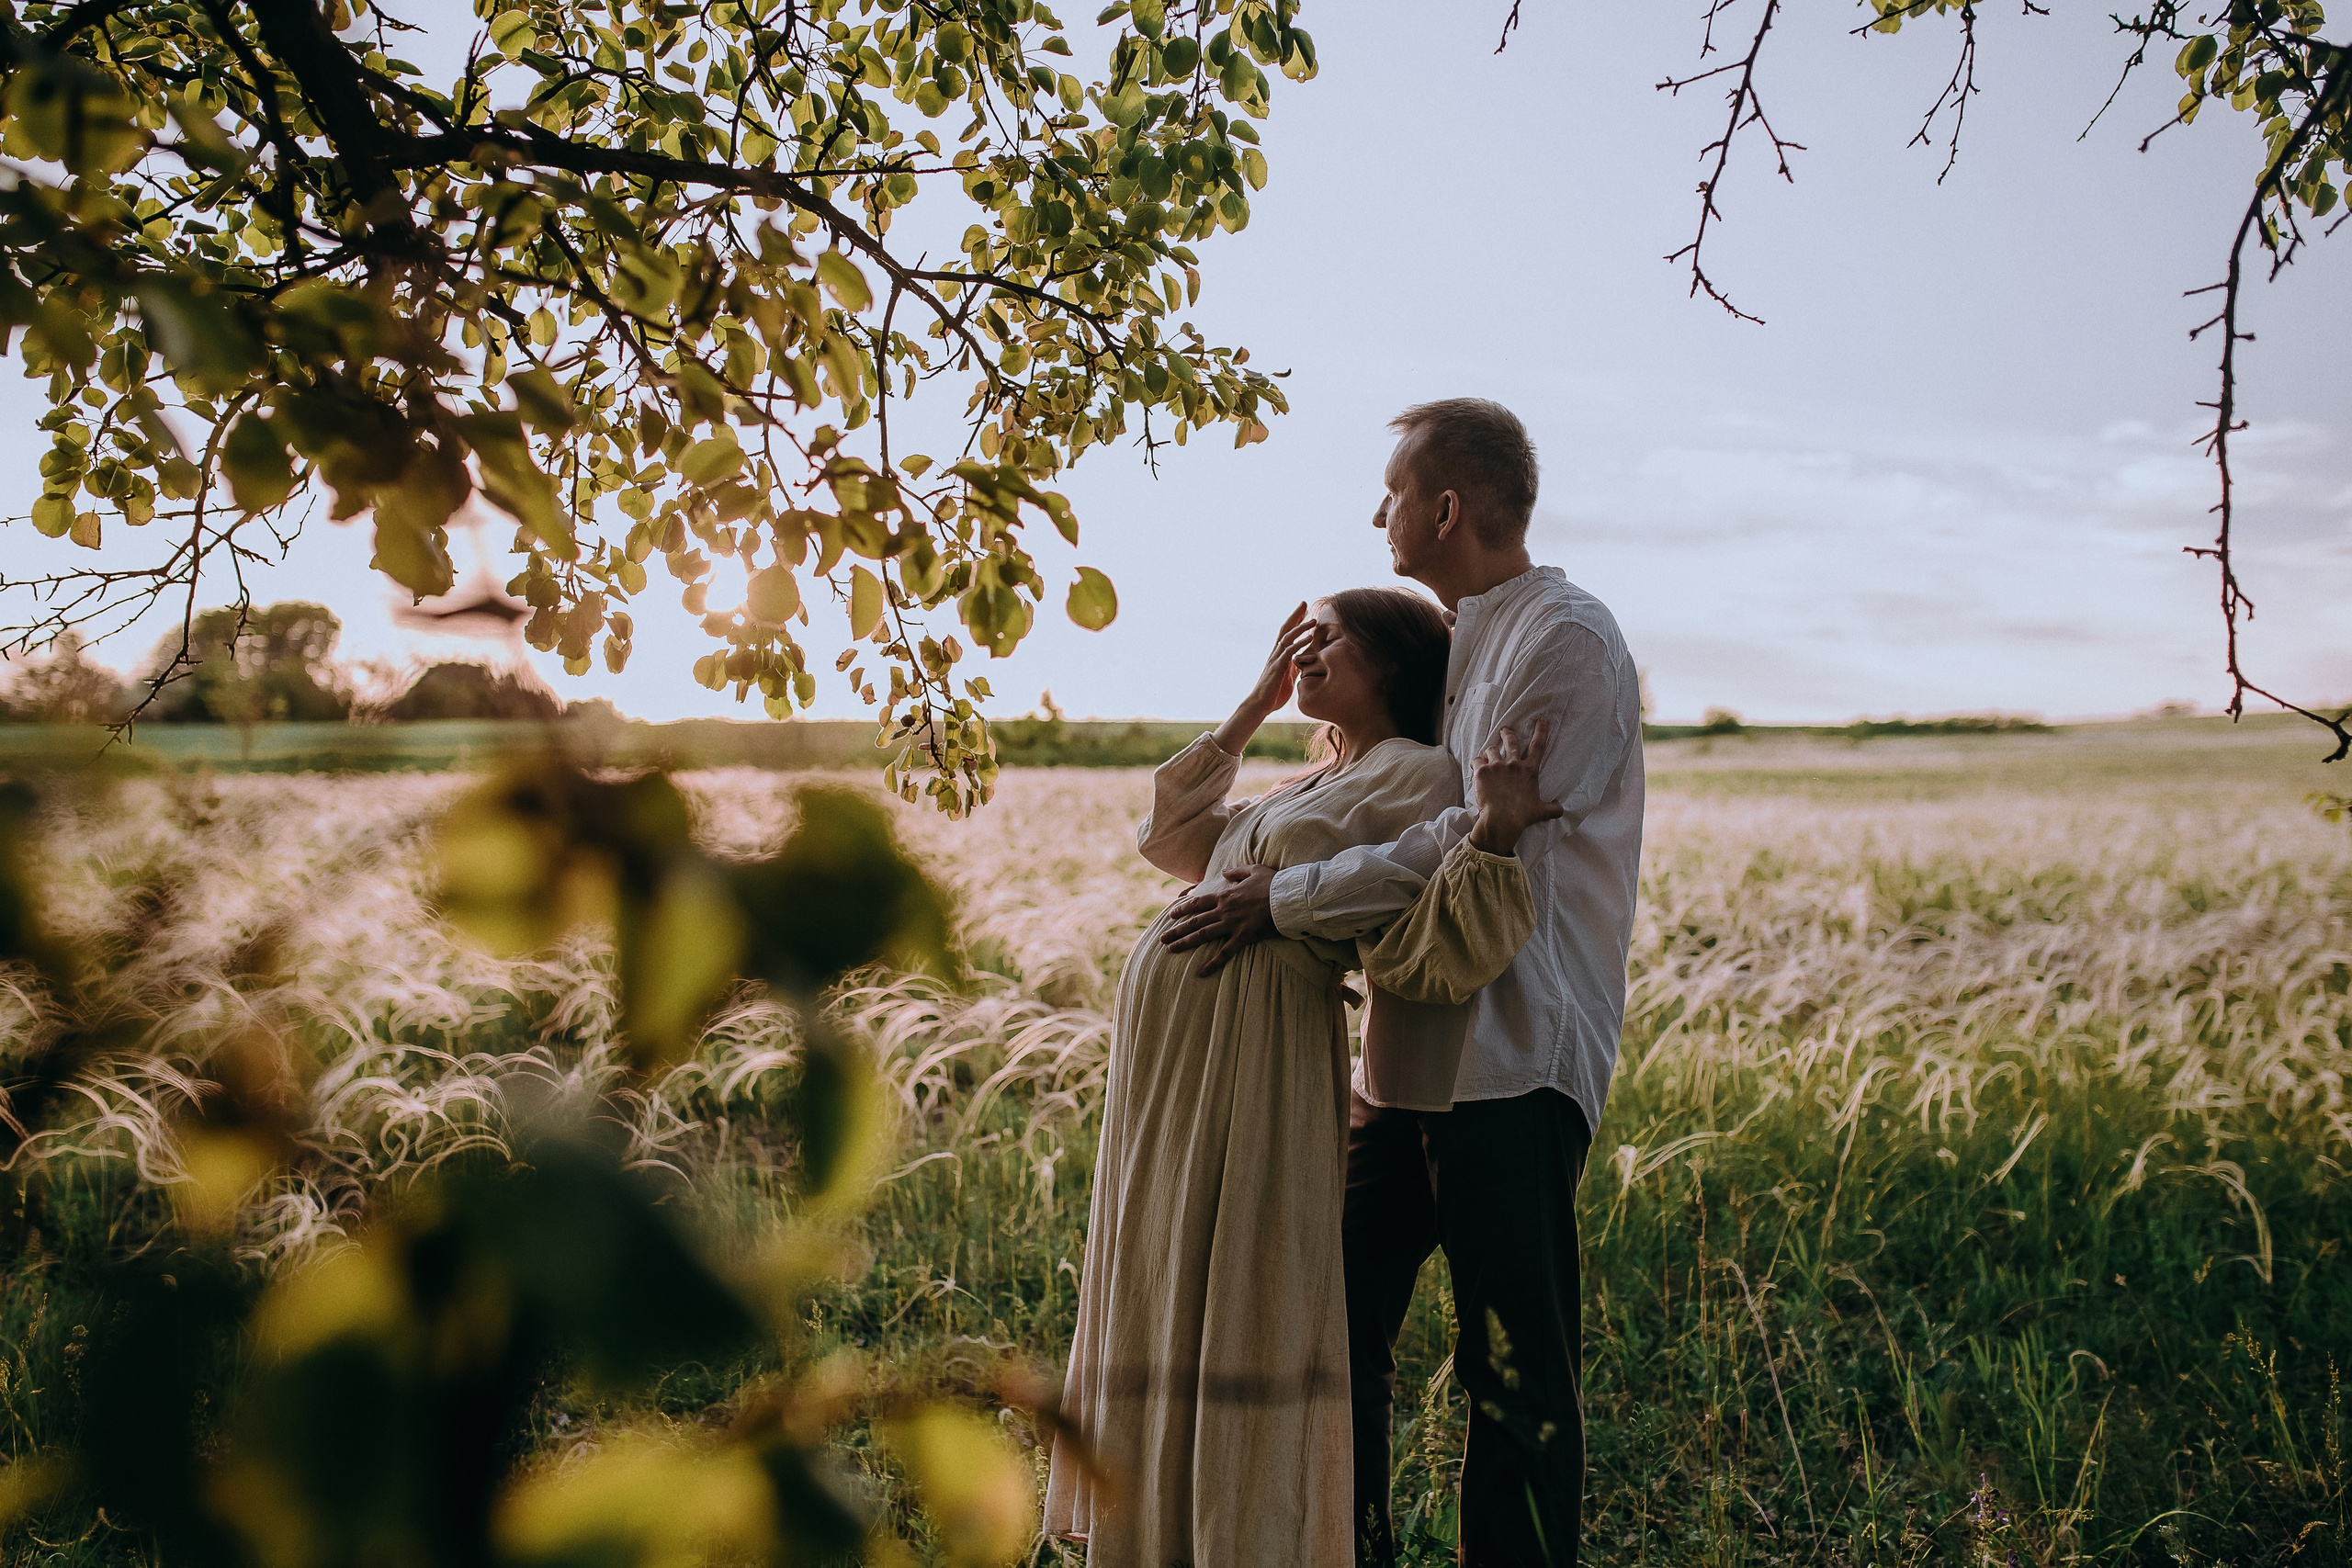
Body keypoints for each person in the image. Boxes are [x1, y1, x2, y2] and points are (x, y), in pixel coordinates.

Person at [1159, 400, 1645, 1567]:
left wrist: (1278, 902)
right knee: (1333, 1340)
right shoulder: (1467, 640)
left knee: (1509, 1369)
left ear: (1444, 507)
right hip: (1401, 1066)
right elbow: (1424, 809)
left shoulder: (1563, 638)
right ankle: (1352, 1548)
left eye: (1390, 492)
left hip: (1510, 1065)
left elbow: (1467, 836)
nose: (1374, 512)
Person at [1045, 586, 1566, 1568]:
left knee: (1243, 1272)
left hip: (1260, 1047)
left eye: (1329, 640)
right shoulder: (1303, 781)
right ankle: (1160, 1523)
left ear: (1394, 665)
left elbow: (1414, 871)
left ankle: (1244, 1531)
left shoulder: (1417, 771)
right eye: (1300, 639)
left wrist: (1280, 902)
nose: (1306, 651)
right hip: (1175, 1068)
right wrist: (1252, 704)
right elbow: (1171, 838)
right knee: (1166, 1262)